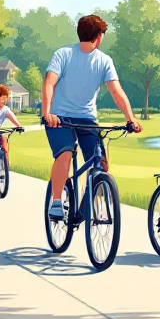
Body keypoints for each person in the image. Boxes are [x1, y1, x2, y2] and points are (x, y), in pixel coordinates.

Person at [43, 15, 143, 219]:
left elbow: (116, 91)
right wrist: (47, 113)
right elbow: (49, 83)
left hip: (87, 119)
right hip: (59, 117)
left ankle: (90, 204)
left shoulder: (104, 61)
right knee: (65, 154)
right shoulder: (64, 54)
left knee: (100, 163)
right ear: (98, 36)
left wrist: (130, 118)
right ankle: (56, 202)